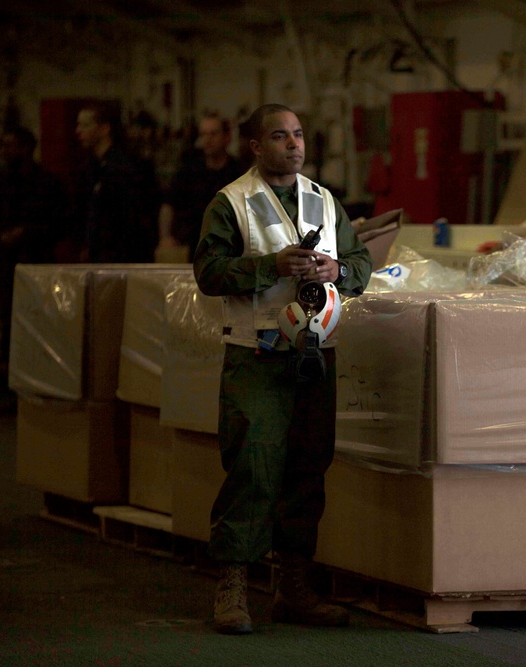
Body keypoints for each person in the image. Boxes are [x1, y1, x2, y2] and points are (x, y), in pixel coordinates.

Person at [193, 103, 372, 635]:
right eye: (279, 136)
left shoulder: (324, 200)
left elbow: (361, 263)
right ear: (254, 146)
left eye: (297, 135)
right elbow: (208, 272)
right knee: (252, 466)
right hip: (257, 354)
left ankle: (293, 586)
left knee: (308, 467)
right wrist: (268, 266)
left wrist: (338, 268)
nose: (293, 144)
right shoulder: (231, 204)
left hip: (316, 353)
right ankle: (232, 587)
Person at [0, 127, 66, 364]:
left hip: (37, 262)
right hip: (8, 264)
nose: (4, 151)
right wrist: (0, 236)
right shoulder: (3, 183)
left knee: (38, 319)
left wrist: (25, 233)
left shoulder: (46, 182)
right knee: (9, 319)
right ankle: (9, 370)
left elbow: (59, 223)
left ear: (25, 148)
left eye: (10, 145)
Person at [73, 101, 159, 263]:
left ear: (104, 128)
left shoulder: (127, 168)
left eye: (85, 125)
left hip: (124, 256)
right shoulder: (88, 169)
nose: (78, 131)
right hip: (97, 256)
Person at [160, 114, 243, 259]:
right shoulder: (189, 171)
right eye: (204, 134)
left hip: (230, 249)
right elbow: (169, 205)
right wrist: (166, 237)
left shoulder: (238, 173)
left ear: (225, 137)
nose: (208, 140)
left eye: (213, 134)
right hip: (194, 246)